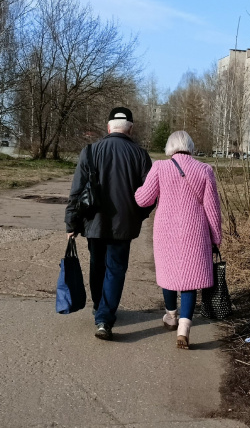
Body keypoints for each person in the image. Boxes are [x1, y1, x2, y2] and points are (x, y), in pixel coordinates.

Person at [64, 107, 153, 340]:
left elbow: (77, 191)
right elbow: (151, 194)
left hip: (94, 222)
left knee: (97, 265)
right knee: (115, 270)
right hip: (124, 225)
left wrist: (71, 224)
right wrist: (138, 215)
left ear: (108, 127)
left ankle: (99, 308)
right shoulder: (140, 155)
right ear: (130, 129)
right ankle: (104, 317)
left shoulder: (90, 151)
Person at [134, 131, 222, 349]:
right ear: (190, 147)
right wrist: (216, 237)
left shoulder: (160, 168)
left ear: (169, 147)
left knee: (169, 274)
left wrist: (136, 189)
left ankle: (171, 316)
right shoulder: (204, 170)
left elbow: (143, 200)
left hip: (166, 231)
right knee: (190, 280)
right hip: (196, 231)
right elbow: (212, 208)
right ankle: (184, 328)